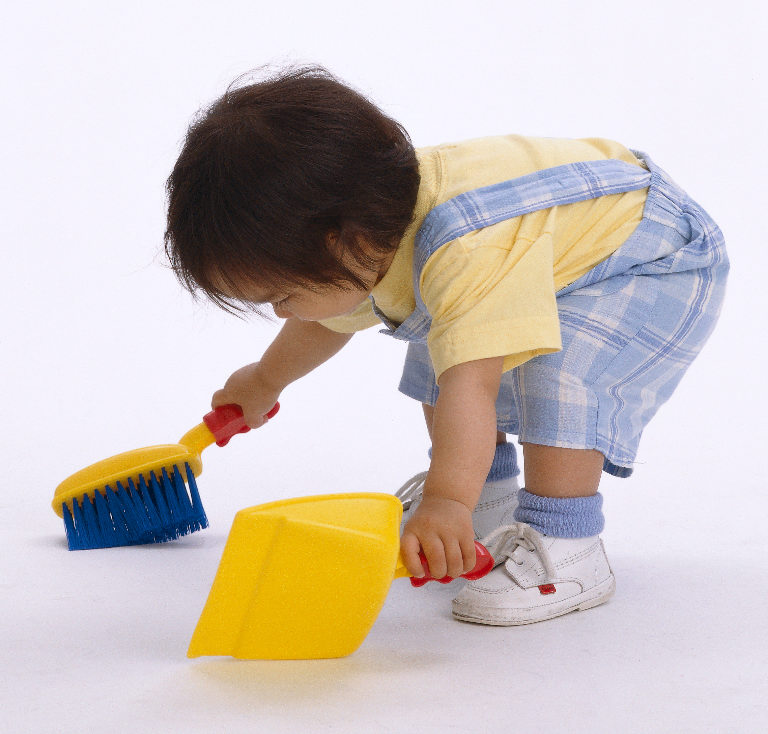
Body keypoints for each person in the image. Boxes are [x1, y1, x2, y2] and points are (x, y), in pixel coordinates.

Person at [164, 65, 728, 626]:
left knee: (557, 378)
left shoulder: (459, 252)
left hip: (649, 258)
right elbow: (326, 318)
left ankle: (567, 547)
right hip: (559, 247)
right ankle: (488, 496)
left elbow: (470, 388)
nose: (279, 312)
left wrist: (444, 502)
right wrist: (266, 380)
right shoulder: (372, 226)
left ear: (346, 242)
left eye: (280, 295)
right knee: (442, 341)